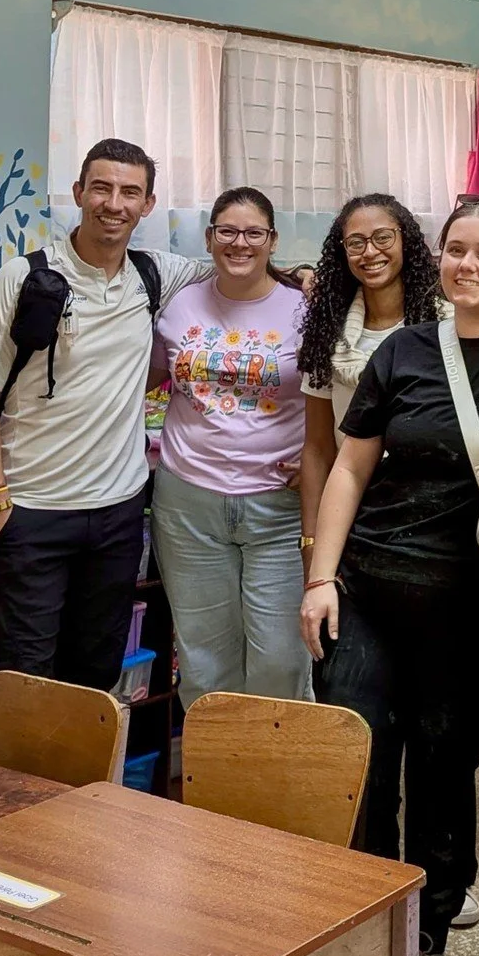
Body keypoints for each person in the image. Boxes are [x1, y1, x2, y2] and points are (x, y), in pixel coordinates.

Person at [302, 199, 479, 956]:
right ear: (436, 261)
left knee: (444, 773)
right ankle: (366, 937)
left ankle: (429, 939)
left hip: (471, 609)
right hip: (367, 592)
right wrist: (322, 576)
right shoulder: (400, 352)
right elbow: (349, 467)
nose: (468, 264)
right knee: (360, 763)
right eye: (455, 250)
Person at [0, 140, 210, 687]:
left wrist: (304, 273)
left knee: (94, 676)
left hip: (119, 515)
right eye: (101, 187)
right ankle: (17, 780)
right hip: (33, 509)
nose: (113, 203)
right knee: (24, 678)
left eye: (129, 192)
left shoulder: (154, 275)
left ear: (147, 205)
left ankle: (83, 780)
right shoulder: (22, 278)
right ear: (78, 193)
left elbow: (238, 268)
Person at [150, 187, 310, 709]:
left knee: (281, 661)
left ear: (271, 241)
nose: (239, 243)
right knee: (203, 662)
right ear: (210, 237)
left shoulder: (305, 308)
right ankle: (212, 788)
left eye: (253, 233)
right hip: (188, 502)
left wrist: (319, 459)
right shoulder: (178, 301)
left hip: (280, 507)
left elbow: (339, 392)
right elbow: (146, 376)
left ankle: (273, 787)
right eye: (227, 231)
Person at [297, 193, 440, 550]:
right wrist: (310, 542)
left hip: (434, 513)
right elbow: (317, 448)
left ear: (405, 239)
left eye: (383, 238)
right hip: (352, 514)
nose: (370, 252)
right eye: (356, 243)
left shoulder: (446, 323)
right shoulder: (327, 331)